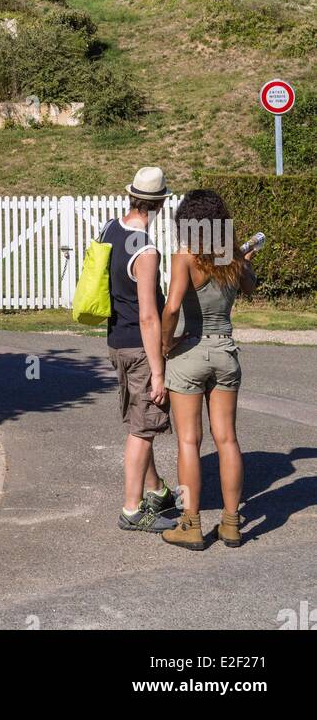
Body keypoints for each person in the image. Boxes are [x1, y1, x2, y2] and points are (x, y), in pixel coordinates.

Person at [160, 189, 256, 551]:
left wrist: (166, 345)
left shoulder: (185, 256)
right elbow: (250, 286)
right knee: (227, 438)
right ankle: (231, 524)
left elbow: (171, 309)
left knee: (189, 440)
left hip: (192, 350)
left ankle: (191, 523)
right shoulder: (232, 258)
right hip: (226, 350)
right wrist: (245, 259)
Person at [106, 166, 178, 532]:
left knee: (139, 421)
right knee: (143, 428)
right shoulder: (146, 250)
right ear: (160, 204)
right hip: (139, 345)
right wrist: (159, 373)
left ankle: (156, 490)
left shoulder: (111, 228)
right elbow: (150, 316)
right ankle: (132, 510)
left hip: (116, 340)